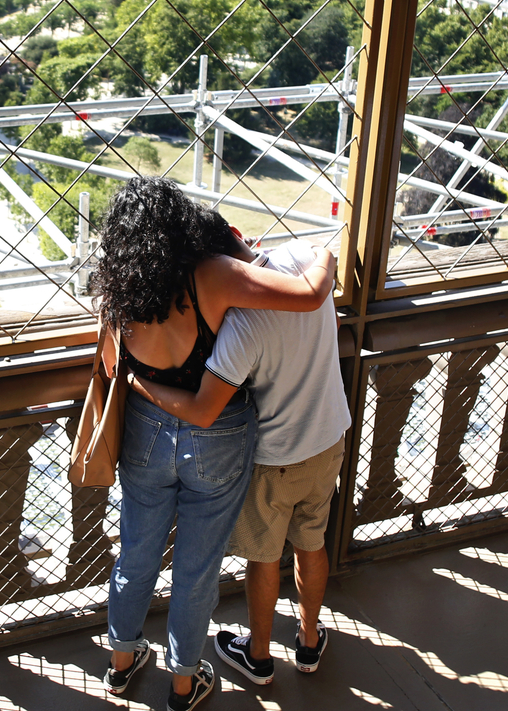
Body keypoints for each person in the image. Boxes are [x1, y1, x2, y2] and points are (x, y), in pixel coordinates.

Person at [93, 177, 336, 710]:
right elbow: (309, 294)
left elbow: (112, 365)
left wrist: (141, 383)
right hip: (217, 434)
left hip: (145, 435)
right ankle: (184, 683)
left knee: (135, 554)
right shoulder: (210, 276)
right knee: (196, 569)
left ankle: (120, 662)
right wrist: (324, 255)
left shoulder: (116, 287)